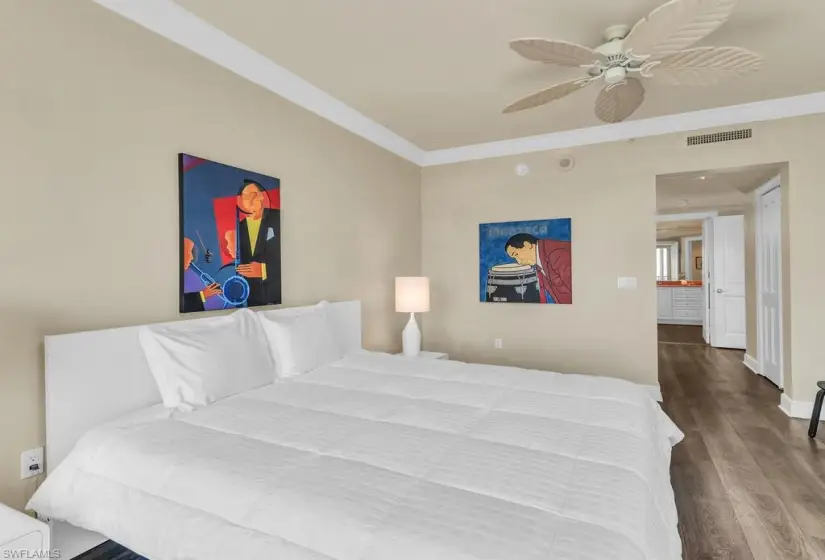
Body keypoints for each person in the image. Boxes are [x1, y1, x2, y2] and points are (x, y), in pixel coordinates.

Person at [234, 180, 281, 306]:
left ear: (261, 196)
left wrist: (264, 270)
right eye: (247, 196)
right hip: (252, 300)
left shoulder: (279, 218)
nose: (252, 198)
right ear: (241, 201)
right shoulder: (239, 227)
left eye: (255, 194)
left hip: (277, 297)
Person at [504, 233, 572, 304]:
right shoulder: (538, 264)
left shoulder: (556, 254)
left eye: (516, 254)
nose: (519, 262)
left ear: (527, 245)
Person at [181, 237, 222, 312]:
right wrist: (203, 295)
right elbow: (180, 303)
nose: (192, 257)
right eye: (189, 252)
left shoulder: (190, 273)